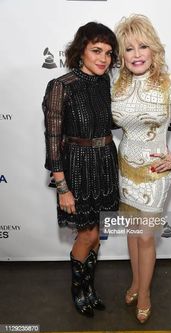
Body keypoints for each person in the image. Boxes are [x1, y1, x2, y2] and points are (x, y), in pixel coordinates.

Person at [111, 14, 171, 323]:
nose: (137, 54)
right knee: (131, 231)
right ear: (121, 55)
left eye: (143, 46)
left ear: (153, 50)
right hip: (124, 169)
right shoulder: (116, 85)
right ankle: (136, 283)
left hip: (155, 175)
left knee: (145, 237)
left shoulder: (168, 83)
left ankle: (146, 292)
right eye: (129, 48)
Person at [42, 22, 119, 317]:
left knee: (96, 233)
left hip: (105, 166)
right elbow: (52, 140)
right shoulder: (62, 86)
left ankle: (90, 288)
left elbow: (110, 123)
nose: (103, 59)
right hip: (78, 167)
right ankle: (79, 290)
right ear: (81, 51)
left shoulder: (103, 83)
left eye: (109, 53)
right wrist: (62, 187)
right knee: (86, 234)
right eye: (96, 50)